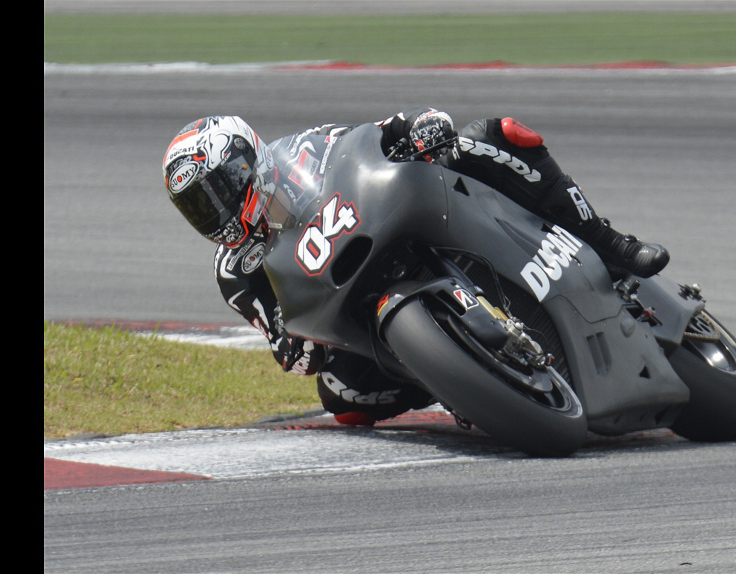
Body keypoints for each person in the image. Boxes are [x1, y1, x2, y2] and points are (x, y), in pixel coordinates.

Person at [162, 109, 669, 426]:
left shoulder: (303, 149)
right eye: (198, 207)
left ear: (248, 161)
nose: (217, 211)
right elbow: (283, 342)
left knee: (494, 135)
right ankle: (456, 380)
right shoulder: (234, 271)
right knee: (342, 400)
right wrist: (295, 349)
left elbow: (374, 137)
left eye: (219, 191)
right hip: (352, 309)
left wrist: (419, 130)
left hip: (393, 220)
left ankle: (609, 244)